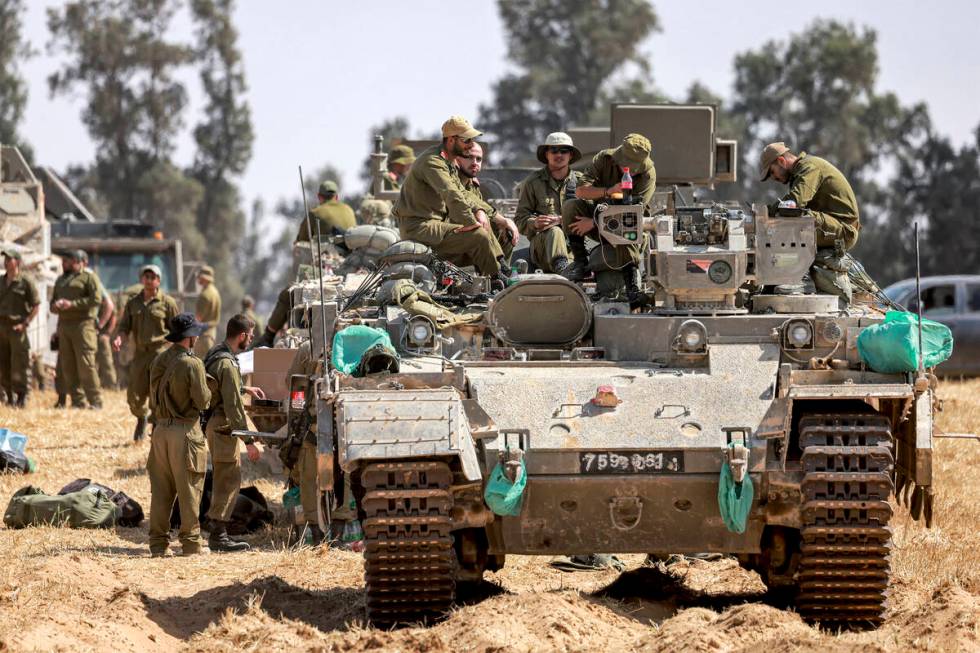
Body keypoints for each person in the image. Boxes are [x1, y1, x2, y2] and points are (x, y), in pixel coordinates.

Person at [394, 115, 509, 281]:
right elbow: (452, 194)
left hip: (435, 225)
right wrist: (471, 223)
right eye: (466, 140)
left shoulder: (448, 162)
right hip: (418, 227)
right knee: (479, 235)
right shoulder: (432, 162)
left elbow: (463, 194)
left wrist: (480, 211)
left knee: (495, 229)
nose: (471, 145)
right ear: (451, 140)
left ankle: (501, 264)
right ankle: (497, 279)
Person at [759, 142, 861, 299]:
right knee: (788, 218)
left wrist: (766, 213)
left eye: (772, 173)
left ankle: (800, 279)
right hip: (832, 227)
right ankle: (777, 278)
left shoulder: (809, 167)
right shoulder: (801, 171)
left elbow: (795, 202)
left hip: (843, 230)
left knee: (793, 216)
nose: (774, 178)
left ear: (781, 161)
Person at [146, 312, 212, 557]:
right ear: (191, 336)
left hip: (160, 430)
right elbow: (203, 401)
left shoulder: (159, 360)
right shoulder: (192, 363)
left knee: (161, 491)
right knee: (190, 489)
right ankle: (192, 544)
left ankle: (158, 545)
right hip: (184, 431)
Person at [561, 133, 656, 298]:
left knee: (627, 226)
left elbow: (633, 215)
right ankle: (580, 262)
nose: (631, 171)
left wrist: (595, 223)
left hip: (630, 230)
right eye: (627, 165)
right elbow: (581, 191)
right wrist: (608, 191)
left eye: (635, 168)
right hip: (598, 218)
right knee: (571, 207)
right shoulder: (604, 159)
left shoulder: (648, 174)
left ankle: (632, 285)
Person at [203, 314, 265, 552]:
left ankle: (216, 527)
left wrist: (243, 386)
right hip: (223, 427)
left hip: (214, 425)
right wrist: (249, 441)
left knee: (223, 476)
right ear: (241, 336)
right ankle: (218, 535)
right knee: (228, 480)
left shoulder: (217, 352)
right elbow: (234, 408)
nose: (250, 339)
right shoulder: (228, 364)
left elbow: (221, 384)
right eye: (249, 336)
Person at [113, 264, 180, 441]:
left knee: (158, 393)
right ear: (142, 280)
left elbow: (178, 330)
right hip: (140, 354)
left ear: (158, 281)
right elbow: (124, 326)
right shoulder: (133, 303)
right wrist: (120, 338)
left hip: (160, 353)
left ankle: (156, 426)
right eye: (146, 277)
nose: (149, 280)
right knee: (133, 395)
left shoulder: (168, 303)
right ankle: (142, 418)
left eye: (153, 277)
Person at [514, 132, 581, 275]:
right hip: (542, 249)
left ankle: (568, 268)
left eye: (564, 150)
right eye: (554, 150)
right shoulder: (533, 182)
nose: (559, 155)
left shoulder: (582, 183)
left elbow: (593, 214)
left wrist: (561, 220)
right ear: (546, 154)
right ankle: (563, 270)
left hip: (576, 247)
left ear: (571, 155)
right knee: (555, 231)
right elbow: (520, 219)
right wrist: (535, 223)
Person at [51, 249, 103, 409]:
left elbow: (96, 299)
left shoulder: (89, 277)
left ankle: (95, 401)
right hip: (65, 325)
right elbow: (52, 302)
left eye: (73, 260)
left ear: (81, 262)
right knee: (68, 366)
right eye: (67, 260)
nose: (68, 263)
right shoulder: (61, 280)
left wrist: (72, 304)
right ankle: (77, 401)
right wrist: (55, 306)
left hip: (83, 325)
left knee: (86, 364)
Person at [284, 339, 324, 545]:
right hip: (343, 423)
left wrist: (297, 416)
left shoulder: (309, 348)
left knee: (308, 479)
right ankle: (342, 528)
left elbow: (295, 384)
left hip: (313, 426)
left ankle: (316, 532)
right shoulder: (359, 340)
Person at [455, 142, 519, 266]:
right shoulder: (450, 181)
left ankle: (501, 272)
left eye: (478, 159)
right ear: (457, 159)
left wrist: (503, 222)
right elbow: (465, 201)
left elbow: (479, 203)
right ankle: (497, 269)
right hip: (452, 239)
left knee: (505, 231)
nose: (474, 162)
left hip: (472, 239)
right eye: (469, 157)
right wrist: (502, 219)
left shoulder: (472, 184)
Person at [0, 249, 40, 407]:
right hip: (1, 329)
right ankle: (9, 397)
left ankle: (22, 397)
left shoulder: (26, 282)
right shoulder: (1, 281)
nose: (6, 262)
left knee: (20, 364)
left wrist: (25, 324)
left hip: (17, 329)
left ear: (18, 262)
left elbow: (36, 305)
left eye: (9, 259)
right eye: (5, 259)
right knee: (3, 363)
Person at [79, 251, 118, 390]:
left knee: (106, 360)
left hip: (100, 332)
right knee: (90, 361)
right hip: (88, 331)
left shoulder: (100, 292)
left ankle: (111, 386)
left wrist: (105, 331)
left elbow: (112, 312)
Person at [194, 265, 221, 357]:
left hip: (202, 338)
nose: (198, 279)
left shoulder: (204, 295)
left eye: (199, 277)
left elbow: (198, 318)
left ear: (204, 278)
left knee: (199, 368)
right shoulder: (215, 292)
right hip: (211, 335)